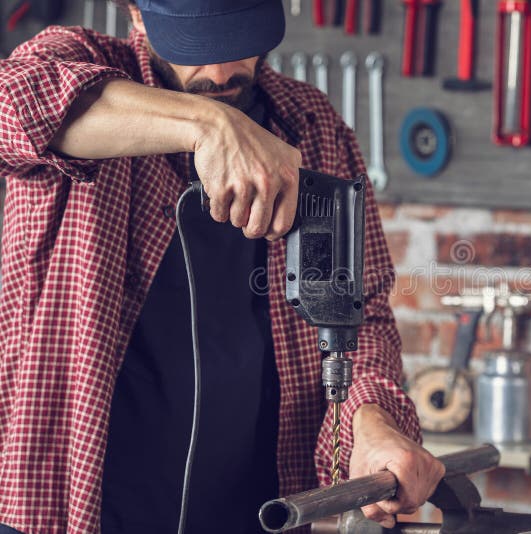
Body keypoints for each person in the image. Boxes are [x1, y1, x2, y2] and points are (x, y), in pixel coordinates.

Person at [0, 1, 444, 533]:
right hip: (75, 507)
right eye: (195, 48)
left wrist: (371, 421)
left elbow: (359, 317)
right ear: (136, 15)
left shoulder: (312, 126)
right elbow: (12, 102)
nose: (219, 74)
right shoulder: (76, 62)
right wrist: (211, 124)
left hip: (252, 512)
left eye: (237, 42)